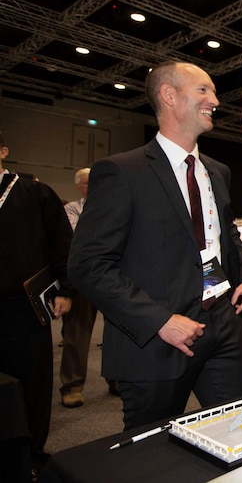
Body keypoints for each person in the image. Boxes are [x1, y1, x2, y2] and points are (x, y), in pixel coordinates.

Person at [67, 61, 242, 431]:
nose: (215, 100)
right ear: (169, 95)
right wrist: (159, 321)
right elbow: (88, 264)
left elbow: (225, 236)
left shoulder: (217, 172)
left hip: (223, 327)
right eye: (203, 90)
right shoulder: (122, 172)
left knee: (239, 433)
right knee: (149, 455)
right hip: (157, 340)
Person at [0, 131, 74, 477]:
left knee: (31, 380)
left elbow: (62, 243)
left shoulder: (33, 193)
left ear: (3, 151)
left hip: (24, 308)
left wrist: (66, 290)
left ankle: (31, 453)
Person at [59, 168, 119, 408]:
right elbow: (77, 238)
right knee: (77, 335)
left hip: (113, 277)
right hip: (84, 279)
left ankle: (117, 379)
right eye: (88, 182)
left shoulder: (114, 206)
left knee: (118, 332)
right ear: (79, 186)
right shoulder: (71, 209)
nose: (94, 185)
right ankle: (72, 386)